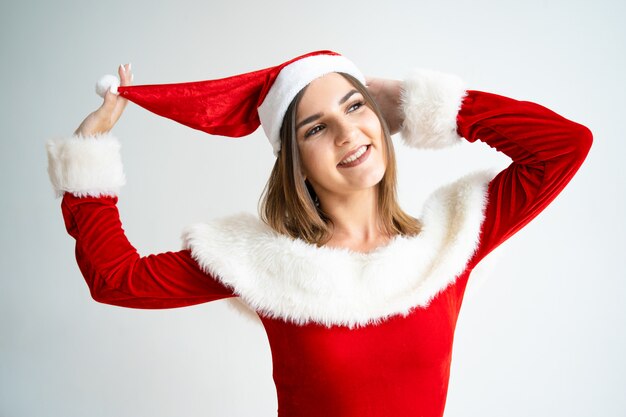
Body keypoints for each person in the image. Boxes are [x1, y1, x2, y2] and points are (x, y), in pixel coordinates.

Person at [46, 51, 592, 417]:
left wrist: (420, 101)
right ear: (295, 161)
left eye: (356, 107)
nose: (347, 131)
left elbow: (564, 146)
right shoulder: (263, 263)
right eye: (316, 127)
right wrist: (87, 154)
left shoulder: (449, 242)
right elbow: (117, 279)